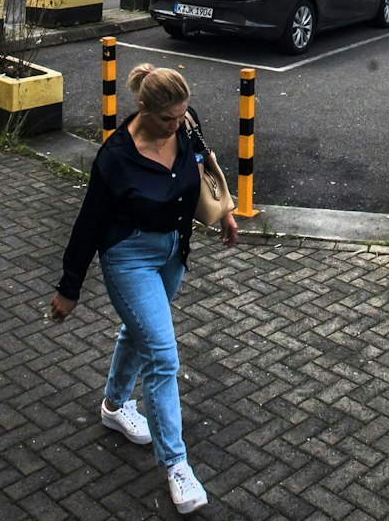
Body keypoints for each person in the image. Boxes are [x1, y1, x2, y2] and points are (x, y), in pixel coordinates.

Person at [50, 65, 238, 515]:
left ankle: (114, 406)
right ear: (143, 108)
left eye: (181, 116)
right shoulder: (115, 157)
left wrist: (225, 213)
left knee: (139, 333)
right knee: (162, 353)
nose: (178, 125)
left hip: (173, 252)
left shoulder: (187, 125)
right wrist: (69, 288)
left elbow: (202, 172)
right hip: (127, 257)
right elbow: (88, 224)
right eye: (168, 119)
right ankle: (176, 465)